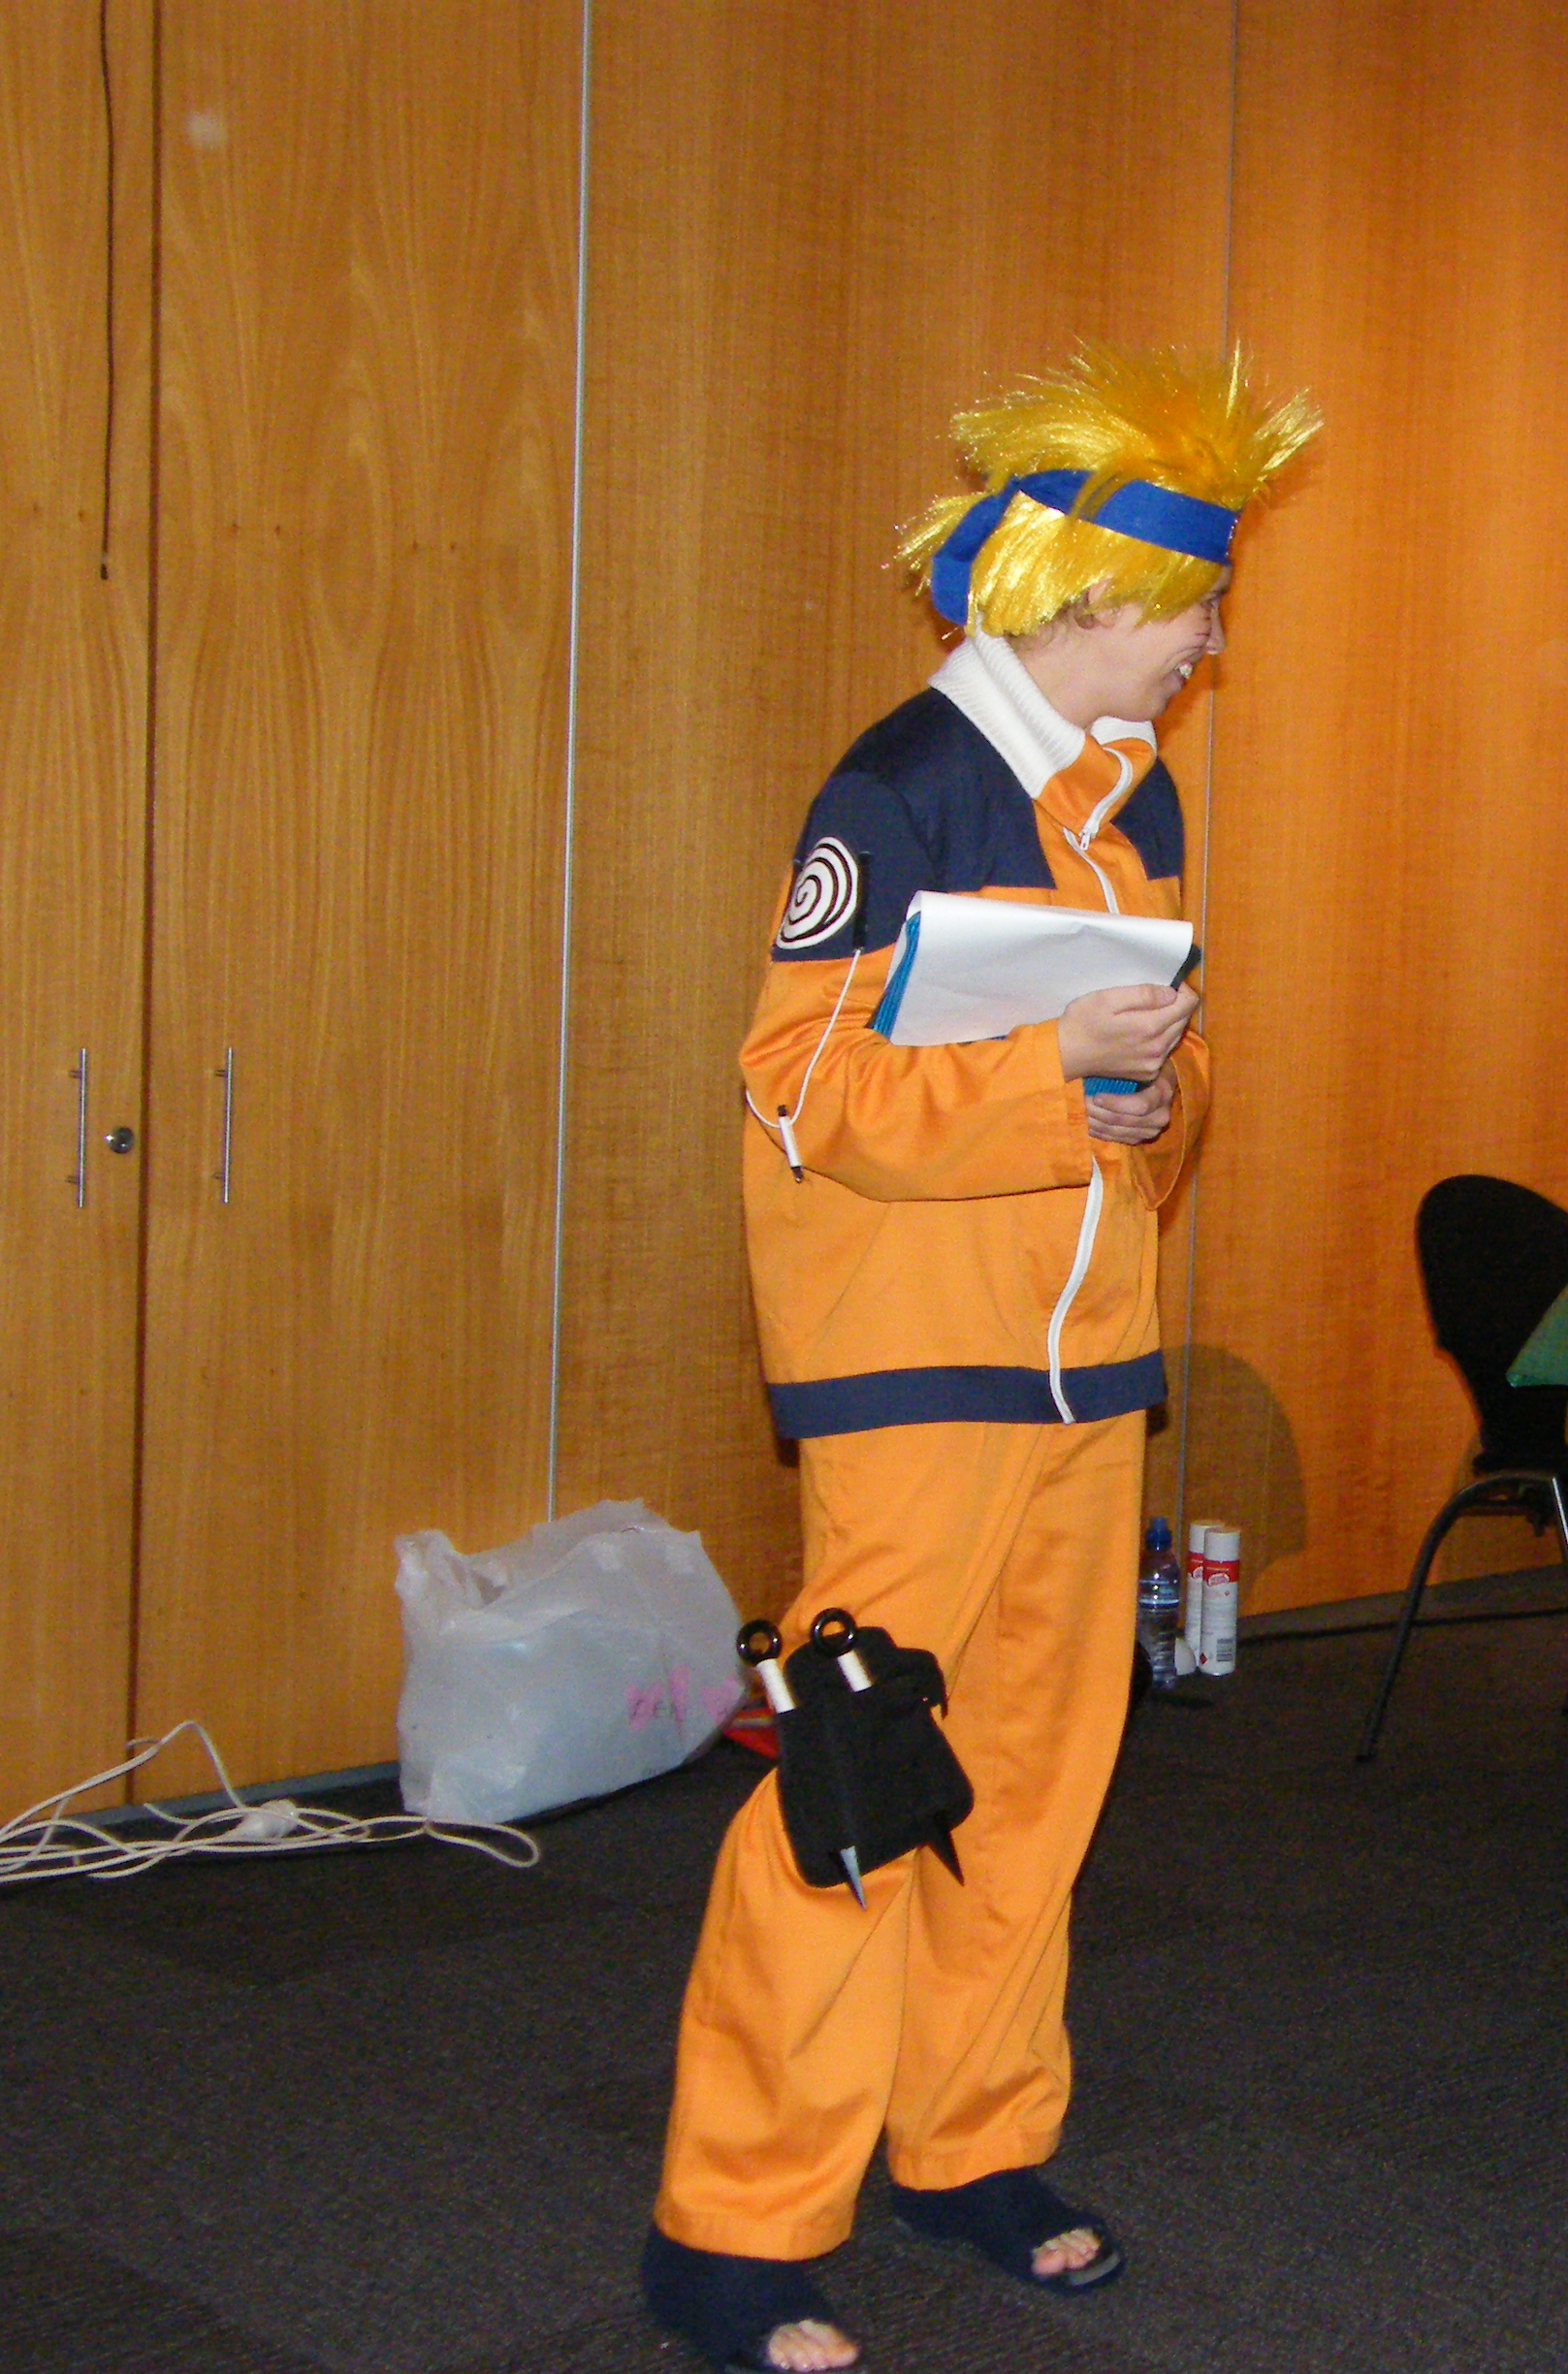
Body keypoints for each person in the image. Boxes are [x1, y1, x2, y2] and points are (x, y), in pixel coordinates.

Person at [643, 346, 1315, 2373]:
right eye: (1196, 606)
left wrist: (1151, 1101)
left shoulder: (1136, 797)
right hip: (912, 1383)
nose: (1209, 644)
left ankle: (970, 2143)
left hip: (1086, 1378)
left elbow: (1154, 1074)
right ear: (1094, 596)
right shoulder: (904, 785)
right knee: (858, 1792)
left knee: (1031, 1793)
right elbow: (799, 1087)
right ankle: (736, 2226)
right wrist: (1050, 1073)